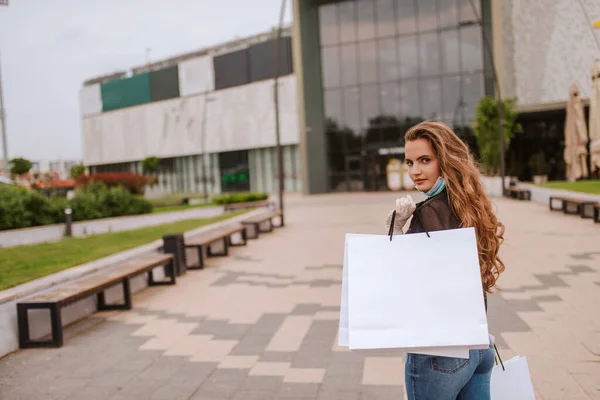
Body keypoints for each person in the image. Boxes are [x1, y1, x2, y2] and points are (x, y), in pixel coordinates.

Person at [385, 121, 506, 400]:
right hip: (478, 347)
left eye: (425, 160)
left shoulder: (429, 213)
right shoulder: (470, 205)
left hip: (438, 353)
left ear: (446, 160)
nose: (415, 171)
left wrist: (395, 232)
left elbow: (406, 281)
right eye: (410, 162)